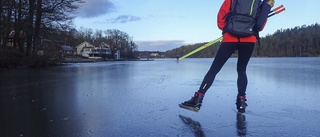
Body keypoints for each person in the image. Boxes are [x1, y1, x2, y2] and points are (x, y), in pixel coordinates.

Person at [179, 0, 275, 113]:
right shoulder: (259, 2)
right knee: (241, 70)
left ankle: (197, 99)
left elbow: (221, 18)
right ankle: (241, 103)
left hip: (230, 38)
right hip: (249, 39)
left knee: (214, 69)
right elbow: (260, 26)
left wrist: (229, 29)